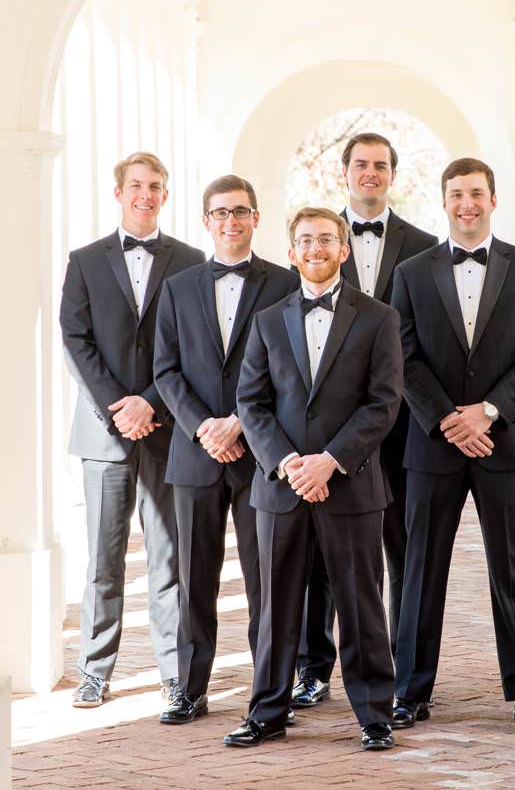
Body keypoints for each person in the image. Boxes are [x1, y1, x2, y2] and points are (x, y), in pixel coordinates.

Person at [389, 157, 515, 730]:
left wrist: (487, 412)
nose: (467, 203)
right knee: (421, 566)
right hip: (433, 444)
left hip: (506, 441)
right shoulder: (411, 272)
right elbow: (402, 356)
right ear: (444, 201)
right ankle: (410, 690)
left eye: (477, 194)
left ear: (493, 200)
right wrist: (446, 419)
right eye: (457, 194)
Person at [227, 207, 401, 751]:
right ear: (292, 251)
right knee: (276, 608)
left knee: (361, 603)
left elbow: (383, 402)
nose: (316, 248)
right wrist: (288, 463)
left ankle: (375, 714)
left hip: (350, 483)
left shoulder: (378, 318)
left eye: (326, 239)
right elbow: (251, 403)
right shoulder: (267, 319)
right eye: (305, 240)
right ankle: (267, 712)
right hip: (281, 487)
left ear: (344, 249)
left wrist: (330, 460)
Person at [294, 132, 439, 709]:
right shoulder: (315, 243)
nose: (370, 173)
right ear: (345, 173)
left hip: (406, 427)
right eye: (361, 164)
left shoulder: (427, 247)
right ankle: (314, 669)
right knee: (322, 555)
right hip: (330, 432)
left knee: (404, 553)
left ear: (392, 175)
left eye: (380, 165)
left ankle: (401, 677)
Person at [60, 151, 204, 707]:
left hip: (167, 430)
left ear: (166, 195)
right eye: (137, 185)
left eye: (156, 186)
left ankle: (175, 675)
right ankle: (95, 669)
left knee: (171, 560)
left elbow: (194, 346)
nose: (146, 194)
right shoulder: (86, 260)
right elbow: (76, 340)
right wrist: (119, 405)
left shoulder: (191, 261)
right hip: (103, 433)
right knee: (103, 559)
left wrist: (150, 403)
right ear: (118, 192)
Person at [151, 175, 296, 724]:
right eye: (220, 213)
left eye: (240, 211)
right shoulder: (179, 287)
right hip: (195, 455)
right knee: (195, 578)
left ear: (256, 217)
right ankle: (189, 688)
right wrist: (202, 428)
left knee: (269, 580)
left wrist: (239, 424)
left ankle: (270, 693)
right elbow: (165, 370)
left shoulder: (284, 284)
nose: (230, 221)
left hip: (262, 454)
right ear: (205, 220)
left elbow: (292, 373)